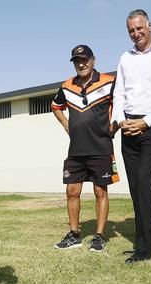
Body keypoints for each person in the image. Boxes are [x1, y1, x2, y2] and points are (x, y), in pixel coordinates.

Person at [112, 9, 151, 263]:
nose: (135, 34)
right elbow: (119, 93)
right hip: (128, 128)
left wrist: (145, 123)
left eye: (139, 28)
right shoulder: (125, 57)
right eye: (131, 31)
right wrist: (120, 120)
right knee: (136, 187)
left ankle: (143, 247)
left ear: (149, 25)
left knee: (144, 183)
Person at [51, 45, 119, 252]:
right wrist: (65, 124)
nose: (81, 64)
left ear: (93, 60)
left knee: (100, 191)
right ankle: (74, 234)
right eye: (76, 61)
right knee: (72, 191)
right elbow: (55, 106)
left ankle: (99, 236)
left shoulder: (109, 81)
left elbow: (122, 104)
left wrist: (114, 125)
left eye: (84, 59)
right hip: (76, 150)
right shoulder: (66, 86)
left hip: (101, 147)